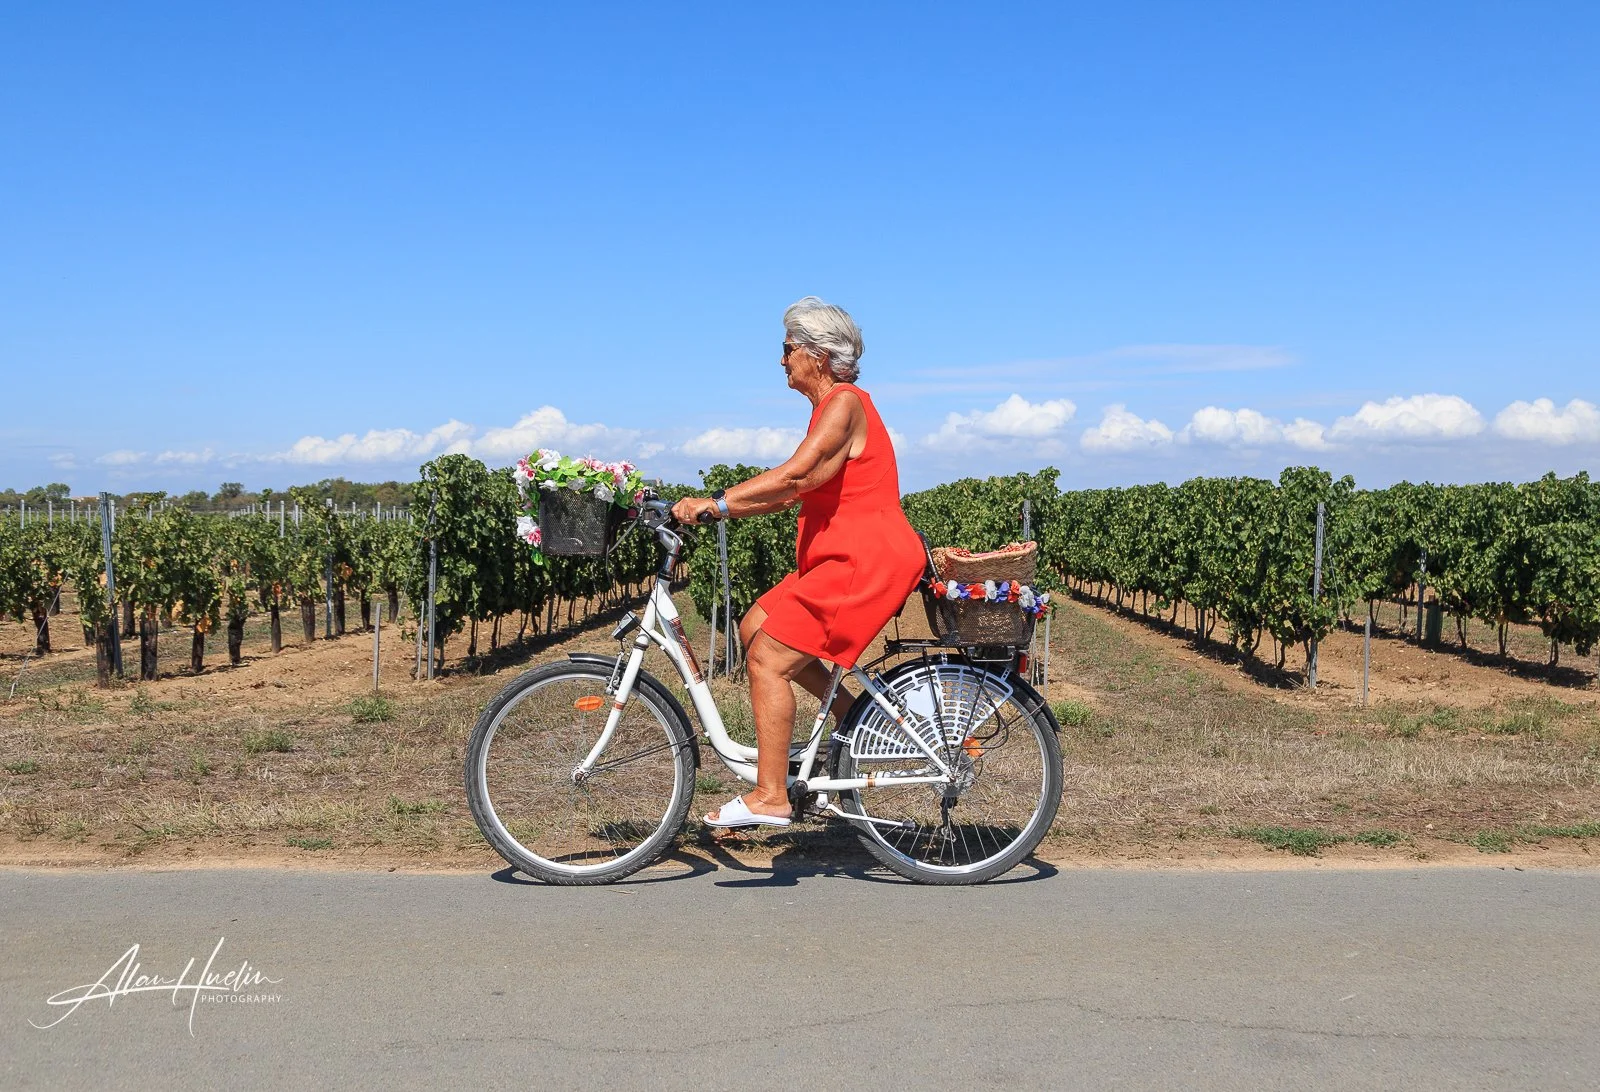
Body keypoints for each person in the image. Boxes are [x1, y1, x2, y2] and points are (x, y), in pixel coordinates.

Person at [672, 297, 927, 828]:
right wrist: (725, 511)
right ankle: (854, 722)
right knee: (755, 626)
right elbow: (793, 492)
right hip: (839, 557)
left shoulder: (845, 404)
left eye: (787, 349)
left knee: (768, 659)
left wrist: (716, 504)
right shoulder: (830, 408)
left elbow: (794, 477)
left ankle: (771, 796)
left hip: (864, 560)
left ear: (818, 354)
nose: (781, 360)